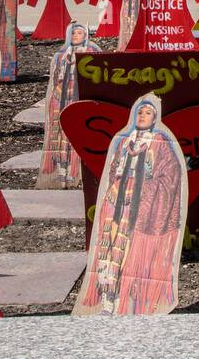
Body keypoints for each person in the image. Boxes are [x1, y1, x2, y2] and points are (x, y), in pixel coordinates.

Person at [74, 95, 187, 316]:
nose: (142, 116)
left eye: (148, 113)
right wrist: (114, 189)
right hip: (117, 204)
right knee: (109, 247)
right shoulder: (124, 141)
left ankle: (130, 300)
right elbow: (113, 169)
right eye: (140, 112)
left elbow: (171, 177)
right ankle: (107, 300)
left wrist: (144, 188)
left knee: (132, 254)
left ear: (155, 119)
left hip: (142, 207)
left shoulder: (161, 143)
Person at [38, 21, 91, 187]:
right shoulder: (61, 55)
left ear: (86, 36)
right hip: (60, 97)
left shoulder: (90, 54)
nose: (76, 36)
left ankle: (75, 172)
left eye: (80, 33)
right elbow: (55, 79)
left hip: (77, 97)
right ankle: (60, 170)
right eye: (73, 33)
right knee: (59, 134)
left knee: (76, 132)